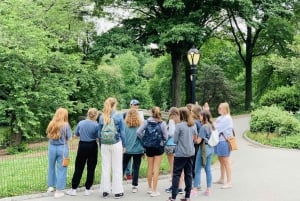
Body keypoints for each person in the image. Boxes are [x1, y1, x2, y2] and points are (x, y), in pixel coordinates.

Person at [66, 108, 99, 196]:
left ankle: (73, 189)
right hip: (92, 146)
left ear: (88, 114)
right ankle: (88, 189)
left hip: (82, 145)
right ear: (96, 115)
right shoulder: (96, 125)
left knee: (79, 167)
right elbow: (98, 137)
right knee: (91, 167)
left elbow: (76, 134)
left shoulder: (81, 123)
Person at [137, 106, 168, 197]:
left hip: (149, 147)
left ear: (151, 112)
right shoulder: (162, 123)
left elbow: (138, 132)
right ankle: (155, 191)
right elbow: (166, 136)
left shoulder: (146, 122)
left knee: (150, 167)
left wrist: (144, 139)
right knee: (156, 168)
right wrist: (162, 141)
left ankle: (149, 188)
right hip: (158, 147)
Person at [98, 97, 126, 199]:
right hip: (116, 143)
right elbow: (123, 132)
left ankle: (105, 190)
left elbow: (99, 133)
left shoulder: (102, 116)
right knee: (117, 167)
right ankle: (117, 191)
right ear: (114, 105)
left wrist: (101, 145)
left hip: (105, 144)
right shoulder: (119, 116)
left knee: (105, 167)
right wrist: (124, 145)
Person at [167, 107, 196, 201]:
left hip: (180, 154)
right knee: (188, 174)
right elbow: (195, 138)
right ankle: (187, 196)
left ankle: (174, 197)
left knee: (176, 175)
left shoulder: (179, 126)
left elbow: (175, 140)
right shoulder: (193, 125)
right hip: (191, 152)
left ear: (181, 115)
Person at [46, 108, 72, 198]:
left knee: (51, 167)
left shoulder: (51, 123)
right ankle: (59, 191)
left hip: (51, 148)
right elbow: (69, 138)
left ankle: (51, 186)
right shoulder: (66, 125)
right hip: (62, 148)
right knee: (62, 168)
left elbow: (48, 136)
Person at [191, 110, 215, 196]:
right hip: (210, 148)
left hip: (203, 149)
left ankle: (194, 190)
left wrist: (194, 138)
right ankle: (208, 189)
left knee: (197, 169)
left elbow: (198, 141)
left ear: (204, 117)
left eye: (201, 116)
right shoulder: (211, 126)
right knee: (208, 169)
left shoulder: (203, 127)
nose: (199, 117)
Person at [122, 108, 144, 193]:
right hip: (137, 149)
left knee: (122, 167)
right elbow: (142, 138)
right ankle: (134, 185)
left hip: (126, 149)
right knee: (136, 168)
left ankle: (118, 184)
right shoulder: (140, 125)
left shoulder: (124, 125)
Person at [214, 102, 234, 189]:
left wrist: (215, 125)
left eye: (220, 108)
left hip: (224, 141)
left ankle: (229, 182)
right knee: (221, 160)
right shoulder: (220, 117)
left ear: (225, 109)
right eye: (218, 108)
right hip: (219, 141)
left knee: (226, 161)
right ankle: (222, 178)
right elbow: (214, 126)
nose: (218, 109)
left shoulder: (227, 118)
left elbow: (216, 128)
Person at [164, 107, 184, 194]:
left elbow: (171, 133)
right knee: (180, 167)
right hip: (179, 146)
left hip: (170, 145)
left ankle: (174, 186)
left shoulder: (171, 121)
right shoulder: (181, 121)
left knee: (173, 167)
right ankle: (180, 187)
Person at [191, 105, 202, 180]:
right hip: (197, 144)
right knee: (195, 162)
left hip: (194, 144)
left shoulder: (194, 122)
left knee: (193, 162)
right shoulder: (199, 121)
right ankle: (195, 179)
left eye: (191, 111)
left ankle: (195, 180)